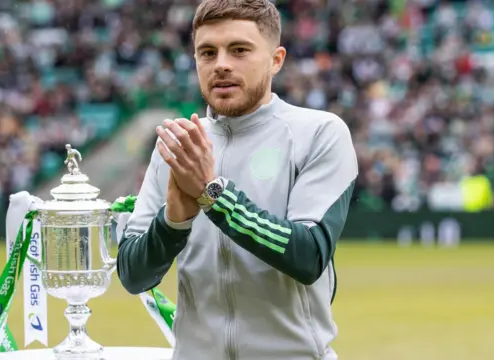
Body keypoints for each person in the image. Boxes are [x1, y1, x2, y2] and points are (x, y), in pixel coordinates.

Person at [116, 1, 358, 359]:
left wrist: (213, 196)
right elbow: (133, 275)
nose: (222, 64)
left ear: (276, 60)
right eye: (207, 52)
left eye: (240, 50)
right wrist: (172, 223)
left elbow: (309, 255)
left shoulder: (319, 133)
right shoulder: (176, 145)